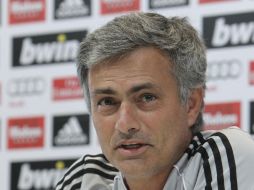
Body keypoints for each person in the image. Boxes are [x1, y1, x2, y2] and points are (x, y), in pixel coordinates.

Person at [55, 12, 254, 190]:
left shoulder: (226, 158)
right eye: (107, 101)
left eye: (147, 98)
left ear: (191, 104)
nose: (125, 125)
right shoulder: (84, 180)